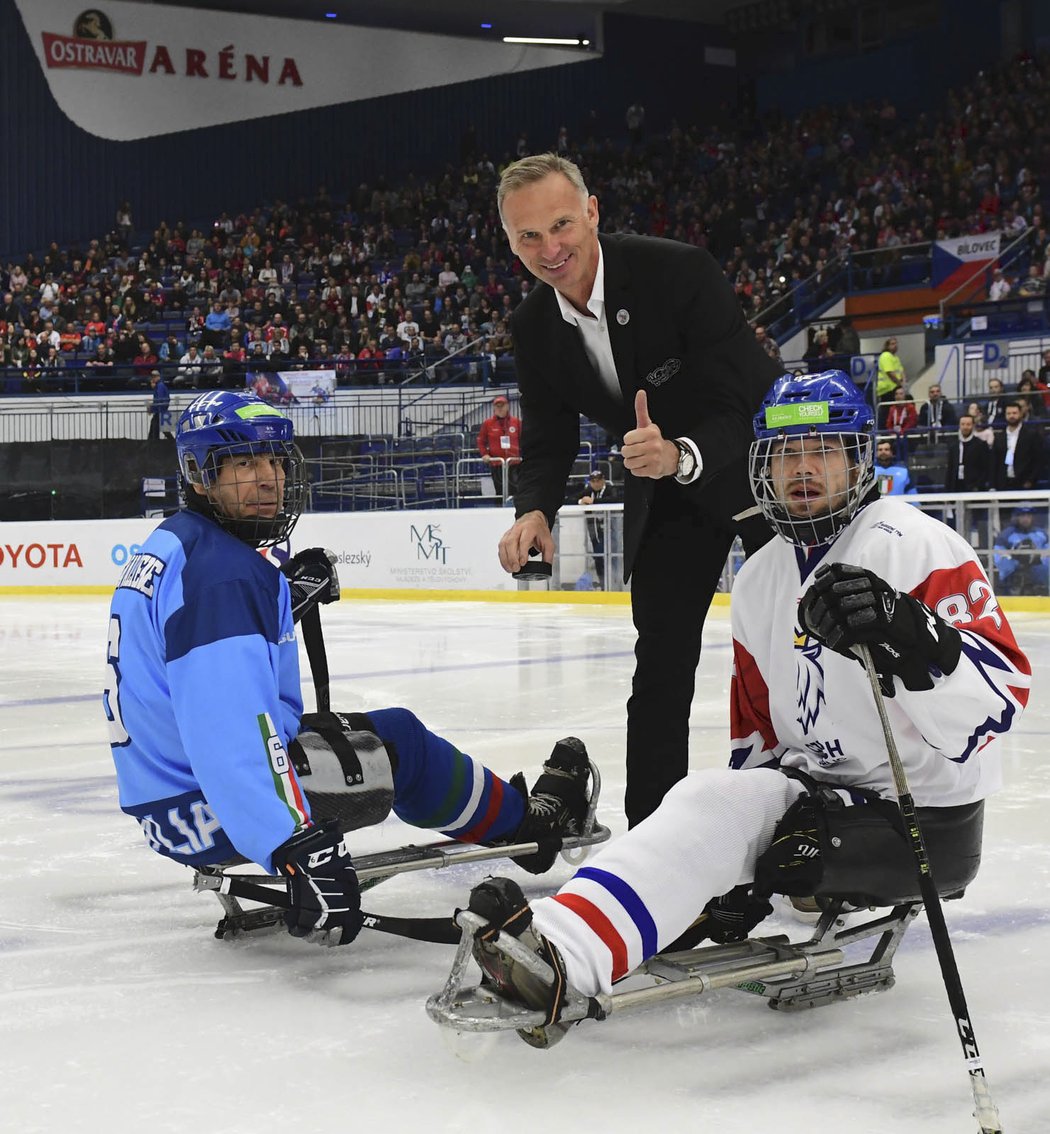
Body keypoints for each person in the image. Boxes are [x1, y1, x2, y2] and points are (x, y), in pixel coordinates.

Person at [465, 370, 1030, 1016]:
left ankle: (568, 950)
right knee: (707, 799)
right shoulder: (761, 576)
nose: (803, 467)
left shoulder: (916, 545)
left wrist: (917, 638)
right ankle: (559, 951)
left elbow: (1001, 696)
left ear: (856, 457)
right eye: (786, 452)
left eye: (822, 448)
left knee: (723, 808)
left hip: (924, 816)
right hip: (822, 800)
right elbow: (760, 740)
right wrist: (740, 871)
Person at [102, 390, 595, 948]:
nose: (269, 478)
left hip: (166, 806)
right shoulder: (225, 579)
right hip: (213, 807)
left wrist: (279, 597)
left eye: (274, 461)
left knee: (366, 732)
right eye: (243, 464)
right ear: (198, 474)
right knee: (401, 742)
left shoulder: (174, 545)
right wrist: (291, 843)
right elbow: (232, 729)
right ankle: (534, 827)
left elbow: (194, 667)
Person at [494, 153, 781, 826]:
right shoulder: (533, 325)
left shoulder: (679, 271)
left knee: (802, 645)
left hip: (761, 470)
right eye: (528, 237)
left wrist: (683, 452)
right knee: (660, 665)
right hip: (664, 483)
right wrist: (534, 508)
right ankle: (654, 836)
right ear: (510, 243)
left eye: (562, 224)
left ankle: (824, 810)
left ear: (592, 212)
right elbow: (548, 433)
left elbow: (737, 402)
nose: (550, 248)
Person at [577, 468, 620, 588]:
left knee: (612, 557)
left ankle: (615, 584)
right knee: (598, 557)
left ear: (603, 480)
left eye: (598, 480)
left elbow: (615, 499)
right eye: (593, 481)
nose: (595, 483)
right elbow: (571, 498)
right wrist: (581, 501)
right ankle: (603, 585)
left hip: (610, 529)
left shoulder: (610, 489)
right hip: (594, 531)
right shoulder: (588, 490)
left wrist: (594, 501)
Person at [993, 504, 1049, 595]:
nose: (1025, 519)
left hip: (1037, 574)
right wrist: (1016, 561)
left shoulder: (1041, 534)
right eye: (1022, 515)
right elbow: (998, 556)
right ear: (1017, 517)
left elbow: (1047, 554)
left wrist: (1037, 559)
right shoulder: (1006, 534)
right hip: (1014, 576)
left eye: (1028, 516)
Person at [477, 393, 521, 502]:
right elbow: (481, 441)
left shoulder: (516, 422)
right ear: (494, 408)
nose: (500, 409)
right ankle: (500, 511)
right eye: (497, 406)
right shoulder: (488, 424)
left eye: (502, 406)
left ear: (507, 406)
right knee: (499, 491)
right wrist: (484, 454)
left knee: (515, 490)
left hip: (514, 463)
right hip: (497, 463)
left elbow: (524, 439)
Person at [992, 400, 1043, 491]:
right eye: (1009, 413)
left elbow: (1038, 460)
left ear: (1020, 414)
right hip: (1003, 484)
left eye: (1014, 413)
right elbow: (995, 461)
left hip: (1024, 483)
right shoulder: (999, 436)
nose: (1011, 416)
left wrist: (1030, 480)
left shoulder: (1031, 434)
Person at [875, 337, 905, 402]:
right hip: (887, 389)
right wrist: (899, 384)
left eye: (896, 343)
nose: (895, 345)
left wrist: (903, 383)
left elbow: (901, 372)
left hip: (895, 388)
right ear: (887, 346)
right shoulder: (886, 356)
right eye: (892, 344)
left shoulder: (895, 357)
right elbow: (890, 373)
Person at [147, 369, 169, 441]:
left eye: (154, 377)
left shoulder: (160, 386)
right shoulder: (159, 386)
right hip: (160, 411)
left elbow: (159, 400)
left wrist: (152, 407)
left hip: (160, 411)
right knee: (160, 429)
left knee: (156, 429)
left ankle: (153, 443)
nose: (153, 379)